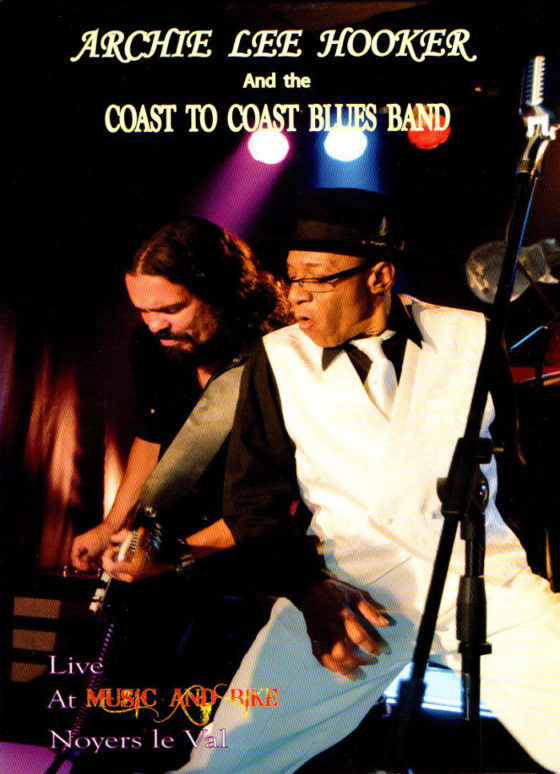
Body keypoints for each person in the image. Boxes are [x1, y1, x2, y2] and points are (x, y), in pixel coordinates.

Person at [175, 189, 560, 774]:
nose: (296, 296)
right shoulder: (276, 358)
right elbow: (252, 503)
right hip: (350, 594)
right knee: (224, 762)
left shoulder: (472, 336)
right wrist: (309, 592)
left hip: (484, 586)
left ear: (379, 276)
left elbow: (516, 474)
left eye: (317, 280)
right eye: (291, 278)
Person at [68, 216, 289, 771]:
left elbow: (277, 502)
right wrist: (114, 523)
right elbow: (153, 436)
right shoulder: (155, 349)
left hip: (246, 561)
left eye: (171, 309)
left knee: (207, 734)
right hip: (164, 554)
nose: (155, 326)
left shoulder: (280, 357)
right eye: (143, 311)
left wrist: (179, 557)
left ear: (221, 290)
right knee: (116, 721)